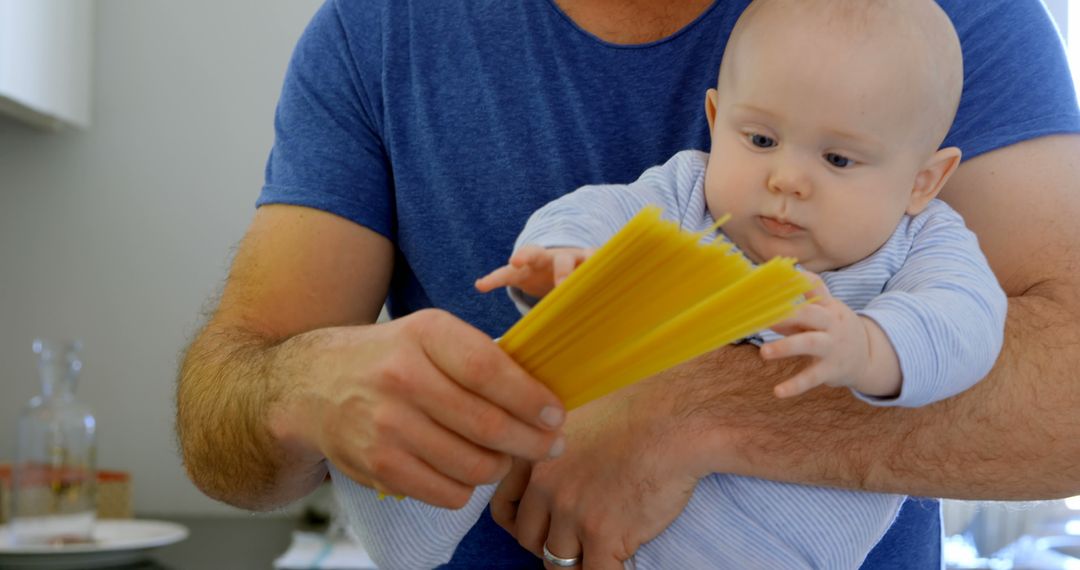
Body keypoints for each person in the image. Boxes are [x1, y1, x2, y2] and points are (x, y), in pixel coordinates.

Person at [175, 0, 1080, 567]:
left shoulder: (941, 38)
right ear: (719, 121)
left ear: (925, 179)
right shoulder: (375, 32)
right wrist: (304, 386)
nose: (786, 182)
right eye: (758, 142)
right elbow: (596, 219)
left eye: (839, 158)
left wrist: (693, 410)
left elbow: (1030, 366)